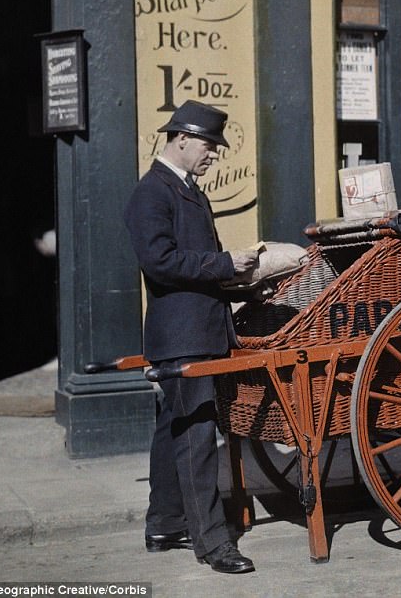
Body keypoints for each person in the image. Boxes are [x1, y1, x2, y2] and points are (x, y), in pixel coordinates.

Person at [123, 100, 259, 574]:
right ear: (181, 139)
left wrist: (234, 279)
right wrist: (224, 265)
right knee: (197, 435)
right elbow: (158, 262)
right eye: (208, 145)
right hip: (183, 335)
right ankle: (214, 544)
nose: (214, 155)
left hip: (196, 330)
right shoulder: (152, 194)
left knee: (174, 428)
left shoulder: (185, 189)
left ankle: (164, 524)